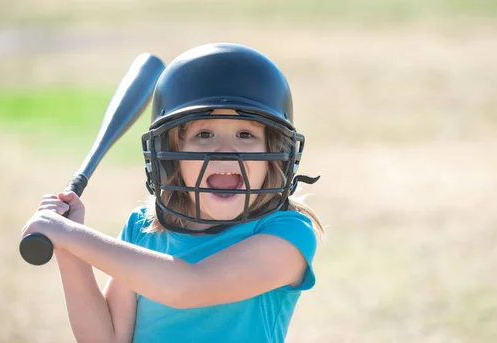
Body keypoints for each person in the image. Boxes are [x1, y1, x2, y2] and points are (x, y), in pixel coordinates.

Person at [21, 43, 324, 343]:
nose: (224, 151)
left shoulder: (288, 234)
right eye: (203, 134)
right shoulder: (145, 229)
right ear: (171, 156)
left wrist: (70, 235)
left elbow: (189, 287)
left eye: (245, 135)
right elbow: (106, 339)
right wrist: (68, 245)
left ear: (275, 154)